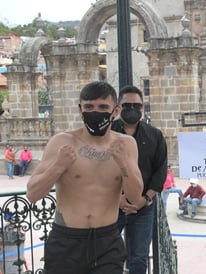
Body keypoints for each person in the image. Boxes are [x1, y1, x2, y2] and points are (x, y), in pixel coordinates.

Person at [26, 81, 145, 274]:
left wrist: (123, 163)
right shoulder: (62, 142)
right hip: (66, 241)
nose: (95, 112)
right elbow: (32, 194)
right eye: (89, 107)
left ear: (115, 111)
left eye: (102, 107)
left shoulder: (126, 144)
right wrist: (58, 167)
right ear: (80, 109)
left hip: (107, 242)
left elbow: (135, 195)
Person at [111, 85, 168, 274]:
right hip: (111, 206)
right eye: (127, 106)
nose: (132, 110)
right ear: (118, 108)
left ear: (143, 108)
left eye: (137, 106)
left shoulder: (155, 135)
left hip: (143, 208)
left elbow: (159, 173)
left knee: (139, 259)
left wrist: (144, 200)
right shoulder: (106, 134)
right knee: (107, 256)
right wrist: (118, 199)